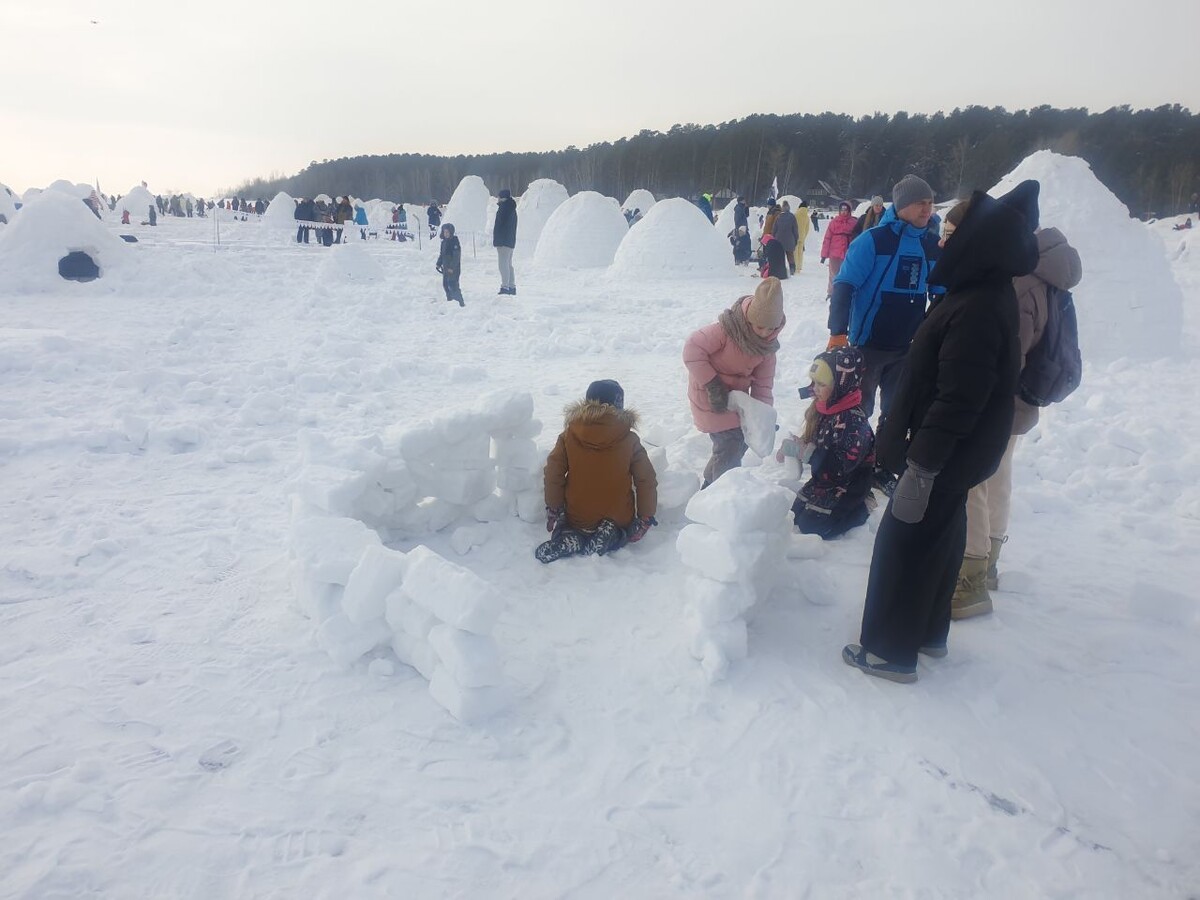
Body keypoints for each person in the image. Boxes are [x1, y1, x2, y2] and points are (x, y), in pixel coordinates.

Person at [842, 181, 1041, 684]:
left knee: (903, 543)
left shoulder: (976, 307)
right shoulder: (980, 293)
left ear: (980, 243)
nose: (942, 240)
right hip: (959, 454)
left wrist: (922, 463)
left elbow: (960, 396)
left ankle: (889, 650)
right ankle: (928, 632)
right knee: (939, 537)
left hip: (942, 454)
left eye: (952, 232)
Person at [953, 220, 1082, 618]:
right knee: (999, 476)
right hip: (1026, 401)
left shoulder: (1023, 284)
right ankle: (989, 561)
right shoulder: (1054, 278)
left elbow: (1010, 354)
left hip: (1000, 401)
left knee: (972, 481)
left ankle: (969, 579)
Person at [827, 175, 942, 427]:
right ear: (901, 206)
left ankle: (883, 460)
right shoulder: (873, 241)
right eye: (920, 202)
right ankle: (852, 457)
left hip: (907, 346)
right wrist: (837, 332)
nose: (927, 209)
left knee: (896, 412)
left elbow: (941, 294)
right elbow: (844, 286)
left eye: (930, 202)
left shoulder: (933, 245)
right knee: (857, 408)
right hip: (867, 345)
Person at [536, 380, 658, 563]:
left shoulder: (569, 435)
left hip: (577, 514)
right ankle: (611, 534)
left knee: (567, 525)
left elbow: (554, 472)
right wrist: (646, 517)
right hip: (618, 515)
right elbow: (646, 480)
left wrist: (553, 507)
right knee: (624, 530)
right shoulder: (630, 439)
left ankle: (570, 537)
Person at [684, 277, 786, 487]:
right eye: (759, 326)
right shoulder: (725, 330)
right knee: (730, 443)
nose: (765, 333)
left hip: (738, 402)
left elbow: (763, 386)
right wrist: (713, 385)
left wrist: (763, 420)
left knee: (737, 443)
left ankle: (711, 485)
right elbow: (692, 350)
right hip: (710, 395)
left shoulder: (767, 350)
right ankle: (721, 493)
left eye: (771, 329)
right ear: (748, 319)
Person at [778, 346, 875, 539]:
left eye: (821, 384)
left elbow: (839, 468)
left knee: (813, 527)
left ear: (842, 383)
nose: (814, 389)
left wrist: (804, 452)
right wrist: (796, 445)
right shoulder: (825, 408)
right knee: (793, 515)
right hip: (823, 479)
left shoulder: (854, 423)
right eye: (813, 382)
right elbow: (816, 443)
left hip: (848, 484)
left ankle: (863, 506)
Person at [819, 200, 858, 298]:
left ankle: (844, 293)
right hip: (834, 253)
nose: (843, 211)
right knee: (833, 274)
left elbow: (858, 238)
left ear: (849, 211)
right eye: (842, 209)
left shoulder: (854, 223)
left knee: (846, 274)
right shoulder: (834, 222)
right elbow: (827, 238)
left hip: (847, 253)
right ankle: (831, 293)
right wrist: (824, 254)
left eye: (846, 209)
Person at [493, 188, 518, 295]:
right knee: (508, 264)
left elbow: (500, 224)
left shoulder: (504, 208)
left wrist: (497, 238)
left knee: (503, 264)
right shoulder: (512, 208)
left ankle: (505, 287)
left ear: (502, 198)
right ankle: (512, 286)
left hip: (503, 240)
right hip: (510, 240)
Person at [436, 223, 464, 307]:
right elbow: (442, 254)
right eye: (444, 232)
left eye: (447, 232)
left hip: (453, 269)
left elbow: (456, 256)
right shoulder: (444, 242)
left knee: (453, 285)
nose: (446, 234)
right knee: (445, 285)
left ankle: (459, 303)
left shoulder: (454, 241)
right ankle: (450, 301)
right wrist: (438, 263)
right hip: (445, 268)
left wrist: (452, 267)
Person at [773, 201, 800, 275]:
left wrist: (774, 238)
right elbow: (795, 230)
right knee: (790, 255)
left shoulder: (778, 217)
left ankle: (780, 269)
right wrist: (796, 239)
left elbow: (774, 229)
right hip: (790, 240)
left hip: (779, 240)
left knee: (780, 256)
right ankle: (792, 269)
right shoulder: (792, 217)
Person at [795, 199, 812, 271]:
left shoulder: (795, 214)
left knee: (795, 252)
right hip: (802, 237)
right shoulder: (807, 217)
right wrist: (804, 236)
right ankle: (799, 267)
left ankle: (795, 267)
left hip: (795, 236)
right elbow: (807, 229)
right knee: (800, 252)